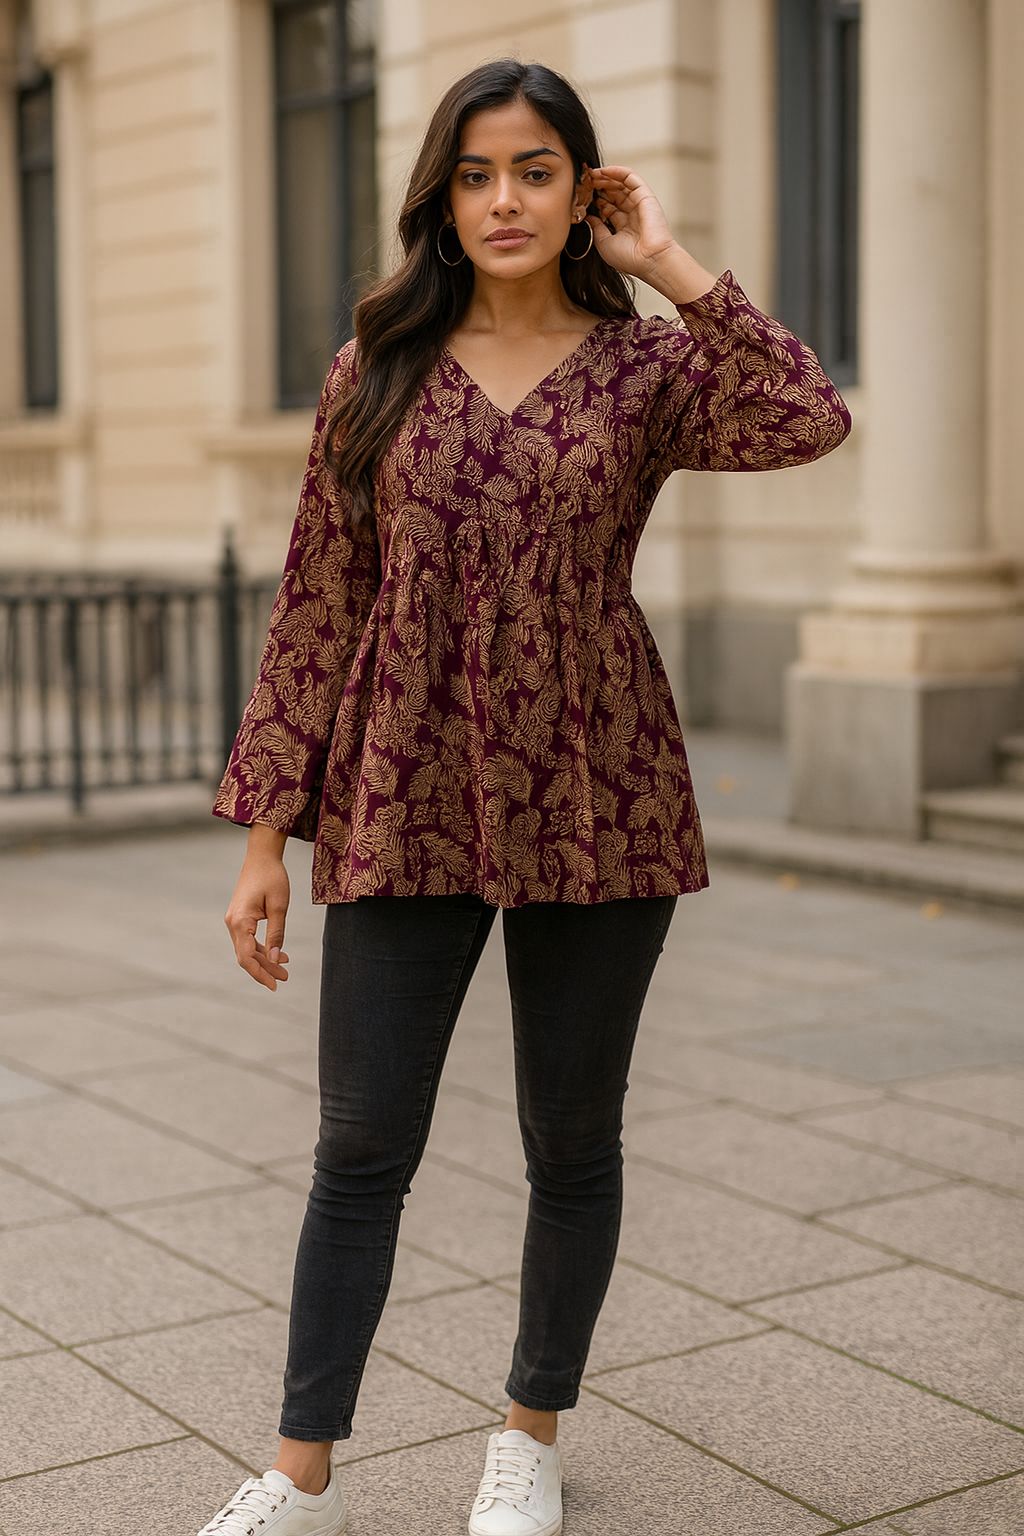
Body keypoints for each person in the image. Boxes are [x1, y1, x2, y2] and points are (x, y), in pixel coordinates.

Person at [199, 56, 852, 1536]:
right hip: (399, 783)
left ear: (581, 192)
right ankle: (302, 1475)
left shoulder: (643, 372)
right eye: (480, 172)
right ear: (442, 191)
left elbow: (807, 412)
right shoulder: (374, 373)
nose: (507, 199)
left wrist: (672, 264)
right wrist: (263, 845)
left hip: (596, 780)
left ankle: (529, 1435)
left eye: (539, 171)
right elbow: (316, 609)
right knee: (361, 1143)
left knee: (575, 1138)